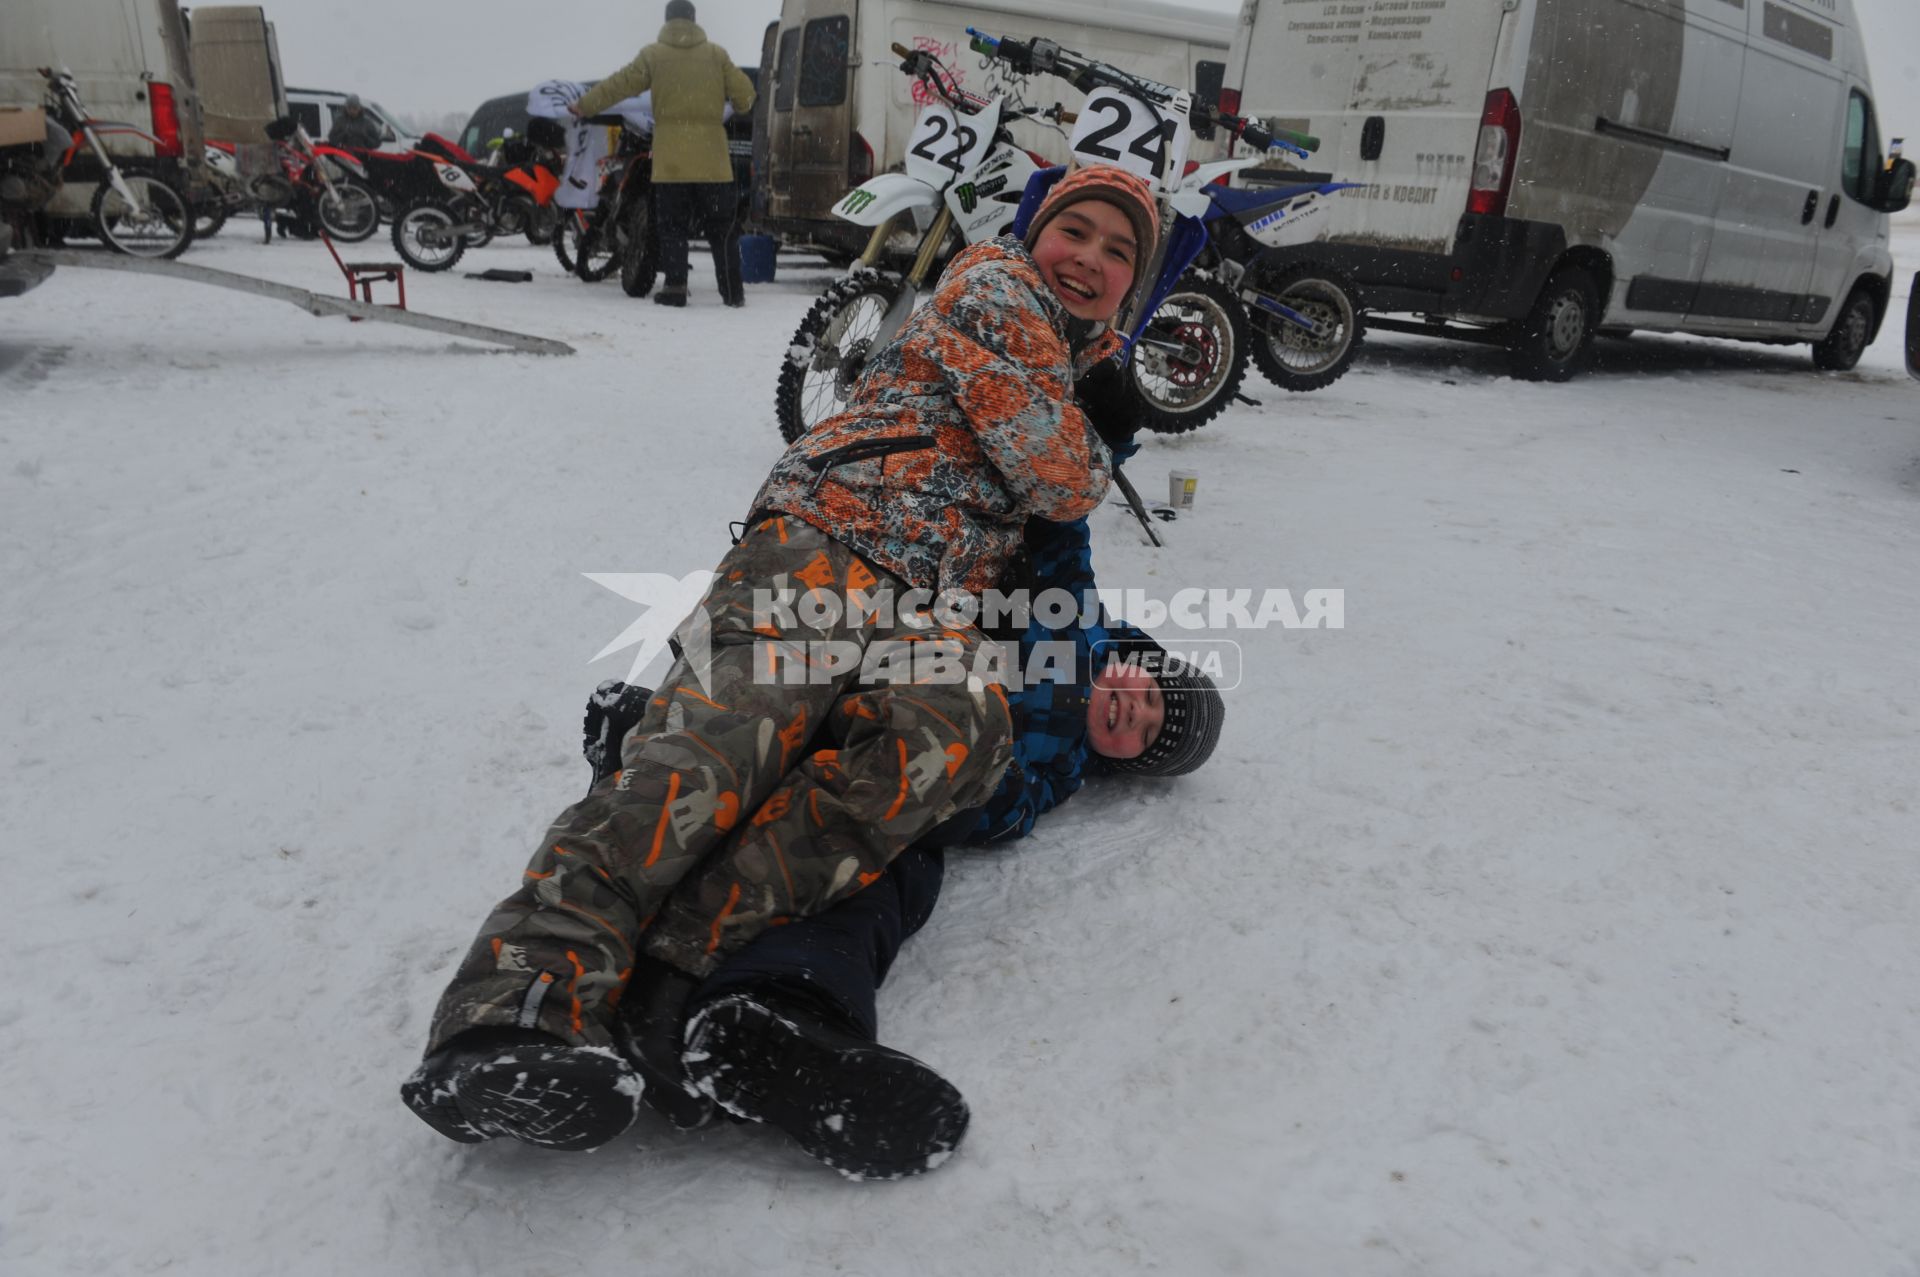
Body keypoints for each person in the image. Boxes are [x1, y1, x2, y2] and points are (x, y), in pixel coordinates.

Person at [399, 163, 1165, 1156]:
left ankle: (675, 974)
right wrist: (1107, 422)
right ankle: (510, 1013)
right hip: (827, 540)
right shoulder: (994, 285)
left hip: (926, 605)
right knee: (700, 762)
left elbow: (1060, 544)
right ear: (1036, 233)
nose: (1093, 259)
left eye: (1120, 253)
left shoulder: (1074, 371)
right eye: (1082, 231)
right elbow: (1057, 476)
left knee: (955, 735)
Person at [570, 1, 755, 307]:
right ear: (694, 21)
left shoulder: (654, 55)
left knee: (672, 227)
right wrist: (732, 103)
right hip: (713, 160)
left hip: (672, 161)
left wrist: (585, 104)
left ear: (667, 21)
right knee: (722, 230)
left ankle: (676, 286)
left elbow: (620, 85)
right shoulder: (716, 55)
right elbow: (746, 95)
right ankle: (733, 293)